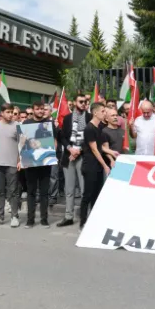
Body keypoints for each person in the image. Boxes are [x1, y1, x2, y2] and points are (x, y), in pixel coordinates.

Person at [57, 94, 89, 227]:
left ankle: (85, 217)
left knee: (83, 189)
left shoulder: (90, 117)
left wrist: (79, 150)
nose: (83, 104)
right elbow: (63, 137)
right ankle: (68, 216)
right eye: (81, 101)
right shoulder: (68, 118)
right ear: (75, 103)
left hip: (83, 156)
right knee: (69, 189)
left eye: (85, 102)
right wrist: (70, 149)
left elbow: (91, 138)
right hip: (69, 156)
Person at [0, 104, 22, 228]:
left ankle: (14, 216)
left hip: (12, 164)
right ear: (1, 113)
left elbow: (22, 145)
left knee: (12, 192)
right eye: (8, 112)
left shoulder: (18, 126)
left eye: (12, 112)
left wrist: (20, 161)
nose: (11, 114)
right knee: (0, 192)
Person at [22, 101, 54, 228]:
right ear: (33, 110)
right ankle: (30, 220)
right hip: (30, 162)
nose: (40, 111)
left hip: (46, 161)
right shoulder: (26, 123)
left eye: (42, 109)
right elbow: (22, 143)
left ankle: (44, 219)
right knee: (31, 192)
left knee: (44, 192)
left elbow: (54, 140)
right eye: (38, 109)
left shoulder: (49, 123)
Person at [80, 102, 110, 229]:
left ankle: (93, 221)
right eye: (102, 111)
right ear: (95, 113)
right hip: (90, 165)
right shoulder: (89, 128)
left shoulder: (99, 128)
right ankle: (82, 222)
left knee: (96, 195)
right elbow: (94, 149)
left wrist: (111, 152)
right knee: (88, 194)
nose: (105, 113)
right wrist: (105, 165)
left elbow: (101, 147)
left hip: (97, 166)